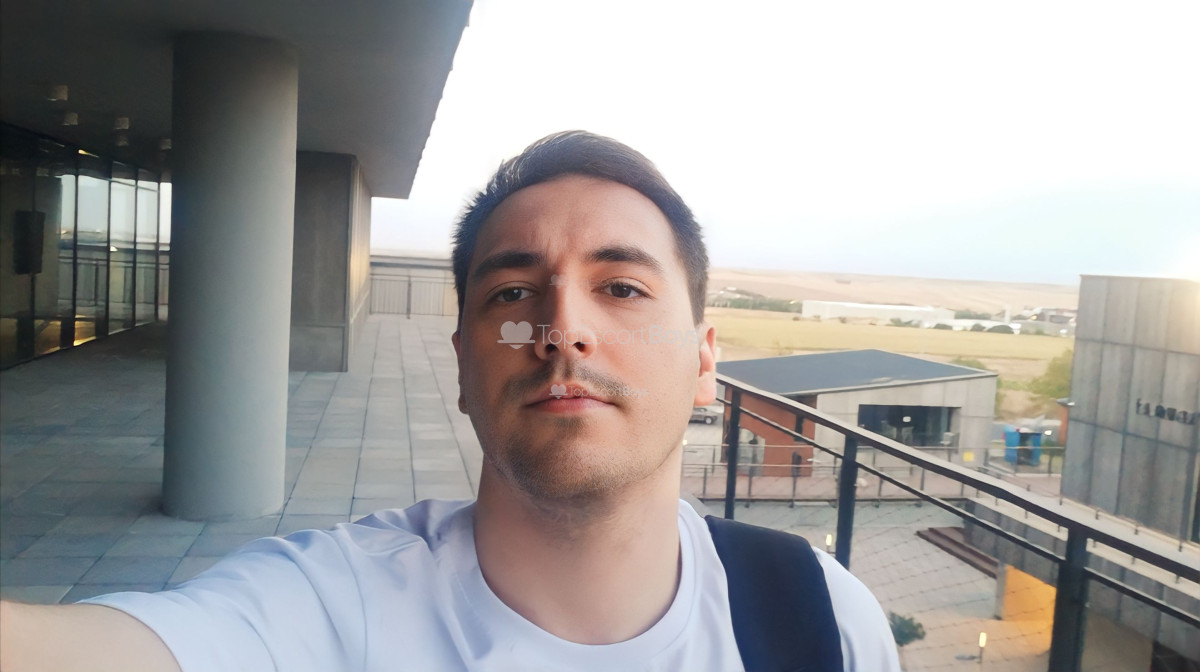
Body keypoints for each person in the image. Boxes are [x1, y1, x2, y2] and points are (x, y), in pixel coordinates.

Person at [0, 131, 900, 672]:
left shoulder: (818, 617)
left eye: (622, 288)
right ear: (464, 365)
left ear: (705, 362)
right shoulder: (335, 607)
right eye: (512, 294)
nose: (562, 330)